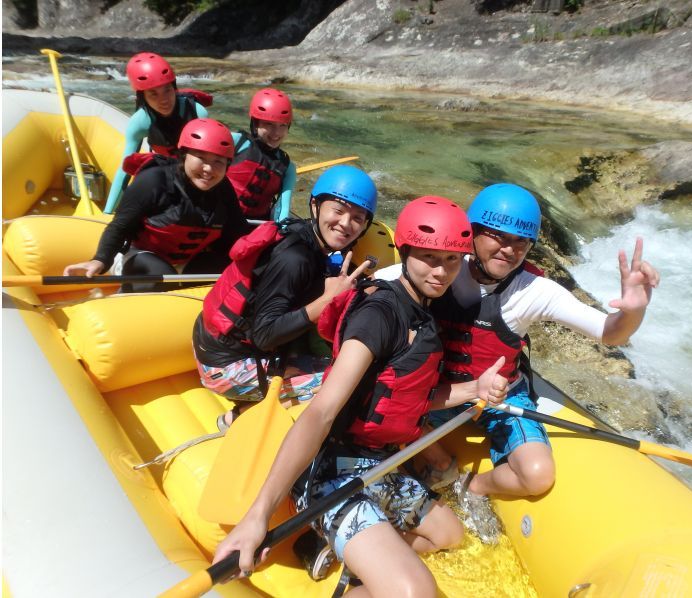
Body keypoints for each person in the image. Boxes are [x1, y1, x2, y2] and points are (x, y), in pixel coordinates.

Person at [212, 196, 510, 596]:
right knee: (416, 593)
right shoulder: (380, 315)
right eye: (428, 258)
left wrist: (475, 389)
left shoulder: (424, 310)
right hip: (331, 474)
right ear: (404, 252)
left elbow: (410, 396)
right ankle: (356, 557)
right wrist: (257, 517)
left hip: (377, 463)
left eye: (452, 261)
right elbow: (320, 412)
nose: (441, 272)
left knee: (449, 534)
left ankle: (350, 568)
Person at [376, 183, 660, 544]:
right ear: (472, 233)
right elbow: (379, 288)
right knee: (382, 418)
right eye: (497, 236)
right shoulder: (441, 268)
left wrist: (634, 310)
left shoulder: (533, 291)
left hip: (501, 397)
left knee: (538, 474)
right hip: (438, 394)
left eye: (521, 242)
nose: (508, 250)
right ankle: (435, 459)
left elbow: (610, 332)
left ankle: (472, 487)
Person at [192, 164, 378, 429]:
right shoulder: (295, 258)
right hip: (225, 367)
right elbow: (264, 334)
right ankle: (239, 417)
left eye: (358, 218)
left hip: (225, 345)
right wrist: (325, 301)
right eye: (337, 210)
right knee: (345, 379)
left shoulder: (309, 240)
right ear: (315, 206)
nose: (345, 224)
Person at [64, 118, 248, 293]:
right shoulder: (154, 181)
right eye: (201, 157)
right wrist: (100, 260)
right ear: (184, 156)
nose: (208, 169)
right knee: (159, 271)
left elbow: (237, 232)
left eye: (218, 162)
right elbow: (120, 226)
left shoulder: (223, 189)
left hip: (188, 261)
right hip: (139, 256)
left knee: (232, 268)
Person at [104, 52, 213, 213]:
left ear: (174, 88)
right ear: (143, 97)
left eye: (167, 90)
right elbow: (124, 170)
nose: (163, 100)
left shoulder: (197, 112)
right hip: (163, 174)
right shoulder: (140, 122)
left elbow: (210, 159)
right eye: (153, 93)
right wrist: (108, 212)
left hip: (193, 173)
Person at [227, 88, 297, 222]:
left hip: (255, 227)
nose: (276, 133)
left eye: (282, 125)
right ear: (255, 124)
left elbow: (283, 208)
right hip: (220, 220)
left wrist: (281, 227)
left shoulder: (287, 167)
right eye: (269, 124)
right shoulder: (236, 142)